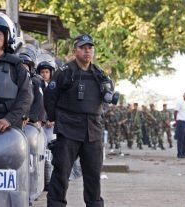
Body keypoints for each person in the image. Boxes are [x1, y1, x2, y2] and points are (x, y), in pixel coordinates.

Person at [44, 34, 118, 207]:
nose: (87, 51)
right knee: (61, 174)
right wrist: (55, 119)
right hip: (68, 130)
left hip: (92, 132)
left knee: (93, 176)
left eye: (90, 48)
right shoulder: (64, 72)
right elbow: (49, 97)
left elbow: (107, 98)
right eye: (83, 48)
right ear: (74, 51)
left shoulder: (99, 74)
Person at [18, 43, 45, 125]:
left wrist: (31, 117)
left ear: (31, 68)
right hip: (16, 119)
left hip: (30, 122)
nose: (23, 69)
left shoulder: (35, 81)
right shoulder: (14, 81)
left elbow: (39, 101)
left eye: (26, 67)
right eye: (21, 67)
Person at [174, 92, 185, 158]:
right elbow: (175, 112)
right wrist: (176, 121)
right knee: (180, 139)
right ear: (183, 96)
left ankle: (184, 153)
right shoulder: (180, 103)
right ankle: (179, 153)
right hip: (180, 122)